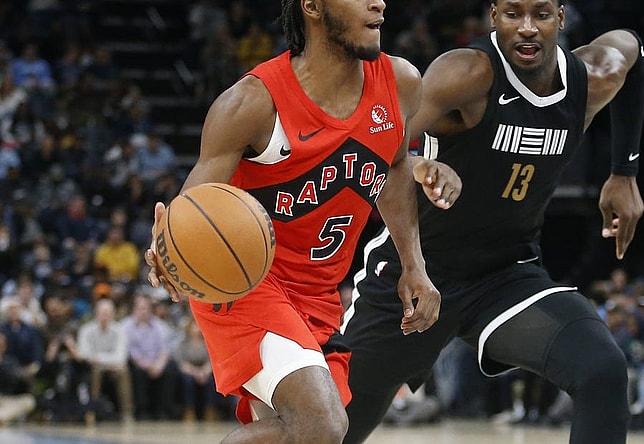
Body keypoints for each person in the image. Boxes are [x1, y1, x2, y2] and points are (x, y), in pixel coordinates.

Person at [340, 0, 644, 442]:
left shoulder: (589, 79)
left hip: (507, 275)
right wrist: (421, 166)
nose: (526, 28)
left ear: (561, 19)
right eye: (512, 14)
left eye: (540, 14)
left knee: (602, 367)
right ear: (493, 17)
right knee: (333, 430)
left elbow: (634, 49)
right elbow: (376, 147)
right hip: (416, 273)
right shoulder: (466, 73)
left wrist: (624, 173)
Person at [144, 0, 438, 443]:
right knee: (323, 425)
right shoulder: (252, 103)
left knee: (299, 434)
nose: (379, 2)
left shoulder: (400, 83)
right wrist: (167, 252)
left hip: (318, 293)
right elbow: (190, 212)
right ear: (313, 6)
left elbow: (395, 168)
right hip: (246, 282)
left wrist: (412, 264)